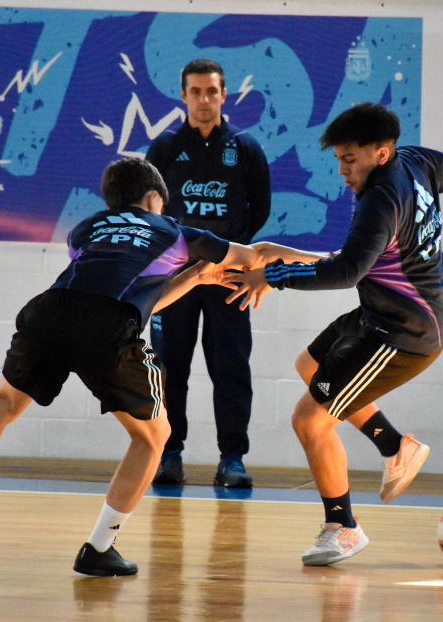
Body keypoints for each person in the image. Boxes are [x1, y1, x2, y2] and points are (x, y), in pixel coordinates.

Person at [0, 157, 259, 576]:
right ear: (154, 198)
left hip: (49, 310)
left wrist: (192, 280)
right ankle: (99, 547)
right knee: (154, 437)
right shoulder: (175, 231)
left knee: (4, 401)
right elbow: (247, 258)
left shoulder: (85, 229)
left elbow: (121, 291)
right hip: (107, 324)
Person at [225, 102, 443, 566]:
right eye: (338, 159)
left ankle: (344, 527)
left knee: (309, 420)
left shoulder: (381, 199)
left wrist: (272, 277)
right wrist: (278, 252)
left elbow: (347, 272)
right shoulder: (415, 164)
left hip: (404, 331)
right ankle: (396, 446)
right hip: (383, 310)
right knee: (309, 365)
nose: (341, 170)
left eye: (349, 160)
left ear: (380, 152)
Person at [145, 58, 271, 489]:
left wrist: (229, 255)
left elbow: (261, 207)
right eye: (195, 91)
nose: (203, 99)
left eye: (212, 91)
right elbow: (149, 210)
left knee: (231, 365)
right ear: (183, 96)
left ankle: (232, 459)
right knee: (167, 366)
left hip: (230, 276)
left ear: (224, 95)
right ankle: (168, 453)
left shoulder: (246, 147)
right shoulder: (163, 148)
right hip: (174, 276)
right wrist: (179, 256)